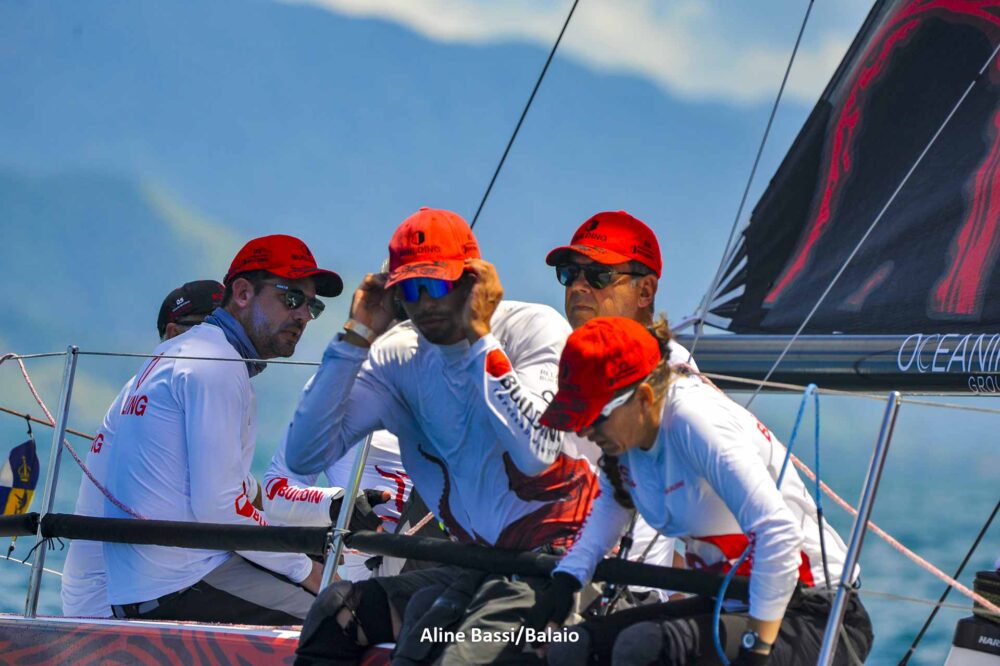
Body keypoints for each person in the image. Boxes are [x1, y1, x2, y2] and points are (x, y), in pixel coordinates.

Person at [286, 207, 597, 665]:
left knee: (452, 656)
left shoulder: (533, 327)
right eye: (408, 290)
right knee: (339, 612)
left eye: (436, 286)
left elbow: (537, 453)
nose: (424, 304)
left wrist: (478, 337)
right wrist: (355, 337)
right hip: (479, 564)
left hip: (558, 564)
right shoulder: (397, 356)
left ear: (472, 280)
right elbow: (304, 455)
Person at [532, 317, 873, 665]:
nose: (583, 431)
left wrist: (756, 649)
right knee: (571, 646)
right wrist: (565, 581)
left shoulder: (694, 420)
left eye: (593, 418)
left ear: (644, 397)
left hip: (814, 614)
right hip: (728, 601)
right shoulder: (628, 438)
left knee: (642, 647)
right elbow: (612, 505)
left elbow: (778, 532)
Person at [102, 235, 345, 625]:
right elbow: (218, 508)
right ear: (243, 293)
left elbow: (228, 494)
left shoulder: (178, 351)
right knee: (345, 620)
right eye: (292, 298)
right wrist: (308, 571)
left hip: (146, 582)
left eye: (312, 306)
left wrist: (306, 534)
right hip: (180, 584)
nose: (303, 316)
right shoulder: (218, 365)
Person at [547, 210, 697, 606]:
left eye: (598, 275)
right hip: (552, 564)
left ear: (645, 292)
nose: (578, 287)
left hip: (620, 588)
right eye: (569, 273)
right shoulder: (562, 356)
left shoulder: (669, 369)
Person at [61, 279, 225, 618]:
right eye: (210, 327)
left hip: (93, 598)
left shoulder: (145, 388)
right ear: (172, 333)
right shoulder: (179, 389)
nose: (225, 339)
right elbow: (219, 504)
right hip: (111, 604)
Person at [263, 428, 412, 580]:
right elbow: (275, 491)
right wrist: (337, 505)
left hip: (423, 548)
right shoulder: (326, 417)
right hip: (379, 567)